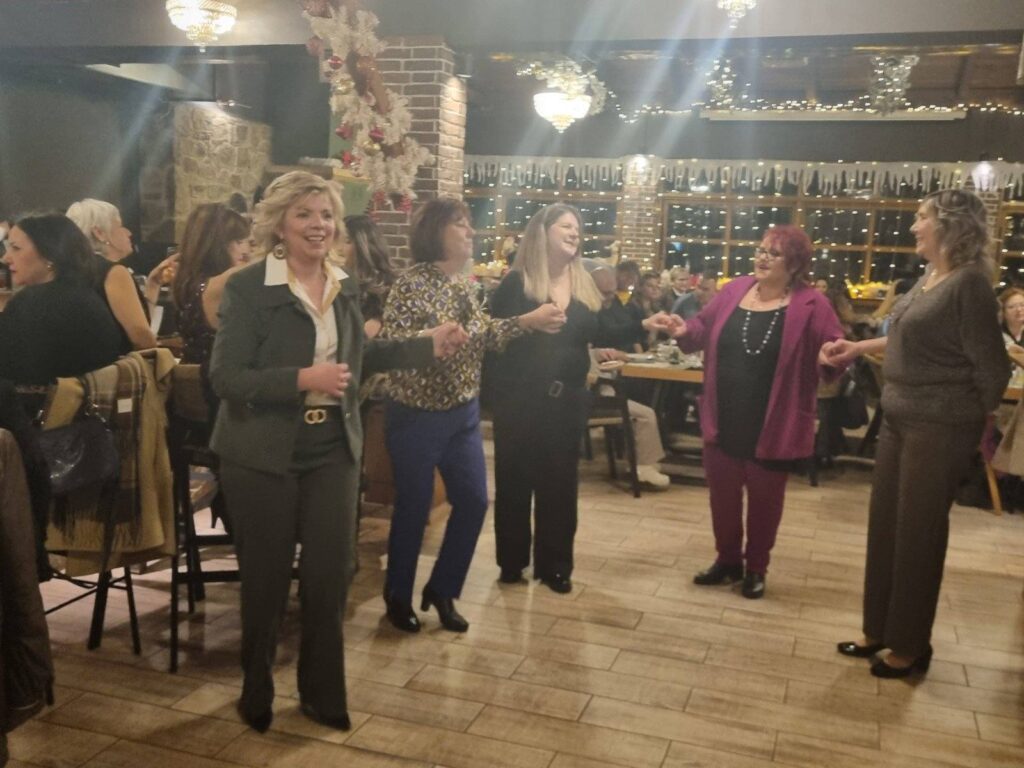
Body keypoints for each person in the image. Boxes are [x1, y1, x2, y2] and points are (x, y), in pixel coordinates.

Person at [208, 171, 466, 733]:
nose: (318, 225)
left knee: (331, 575)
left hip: (332, 447)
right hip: (263, 453)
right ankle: (256, 688)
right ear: (279, 224)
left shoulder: (343, 283)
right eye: (304, 214)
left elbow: (359, 356)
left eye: (326, 214)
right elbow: (226, 377)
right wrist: (303, 378)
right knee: (266, 579)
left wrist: (425, 345)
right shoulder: (250, 287)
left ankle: (322, 693)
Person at [825, 189, 1009, 678]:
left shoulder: (969, 285)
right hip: (899, 416)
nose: (913, 227)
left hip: (940, 425)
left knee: (918, 534)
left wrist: (973, 419)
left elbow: (992, 367)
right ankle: (878, 630)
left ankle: (909, 645)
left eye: (921, 217)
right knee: (886, 525)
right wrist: (857, 347)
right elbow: (909, 335)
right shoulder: (931, 277)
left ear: (950, 225)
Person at [380, 198, 565, 633]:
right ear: (435, 232)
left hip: (462, 413)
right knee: (413, 507)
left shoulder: (466, 285)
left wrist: (527, 322)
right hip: (415, 413)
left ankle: (443, 589)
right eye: (459, 224)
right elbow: (392, 344)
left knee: (475, 501)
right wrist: (431, 339)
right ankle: (397, 596)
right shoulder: (410, 284)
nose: (470, 231)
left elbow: (484, 335)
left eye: (468, 223)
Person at [488, 204, 673, 594]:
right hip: (520, 402)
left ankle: (556, 567)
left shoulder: (582, 283)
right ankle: (512, 563)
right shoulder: (517, 282)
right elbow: (492, 335)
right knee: (514, 483)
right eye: (566, 226)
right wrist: (528, 323)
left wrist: (643, 323)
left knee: (560, 487)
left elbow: (601, 329)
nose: (575, 232)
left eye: (578, 227)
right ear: (543, 232)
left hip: (566, 401)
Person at [669, 225, 845, 599]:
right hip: (724, 414)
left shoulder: (812, 304)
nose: (762, 258)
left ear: (794, 264)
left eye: (774, 253)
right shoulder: (735, 290)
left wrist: (830, 355)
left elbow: (835, 347)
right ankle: (727, 560)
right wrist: (681, 328)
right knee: (722, 498)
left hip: (775, 420)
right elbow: (700, 328)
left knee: (765, 502)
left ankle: (756, 568)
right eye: (761, 250)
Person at [0, 213, 121, 389]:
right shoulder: (86, 295)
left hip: (49, 404)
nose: (5, 258)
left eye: (16, 248)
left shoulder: (34, 303)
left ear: (50, 255)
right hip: (88, 402)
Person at [589, 265, 672, 488]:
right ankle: (643, 466)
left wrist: (603, 354)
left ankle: (644, 460)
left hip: (603, 379)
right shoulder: (587, 312)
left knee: (646, 397)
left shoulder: (602, 307)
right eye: (606, 293)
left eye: (612, 292)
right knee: (646, 412)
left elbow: (600, 340)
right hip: (591, 390)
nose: (610, 298)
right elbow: (603, 336)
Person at [66, 198, 168, 352]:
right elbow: (140, 335)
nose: (129, 232)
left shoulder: (70, 269)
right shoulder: (113, 273)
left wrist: (153, 284)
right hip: (113, 362)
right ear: (99, 233)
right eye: (120, 226)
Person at [173, 203, 252, 386]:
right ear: (218, 245)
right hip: (214, 389)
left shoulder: (186, 281)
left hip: (188, 388)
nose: (246, 251)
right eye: (238, 242)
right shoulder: (223, 282)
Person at [338, 214, 400, 339]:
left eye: (347, 241)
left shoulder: (389, 291)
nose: (338, 248)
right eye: (336, 241)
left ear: (364, 246)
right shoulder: (332, 284)